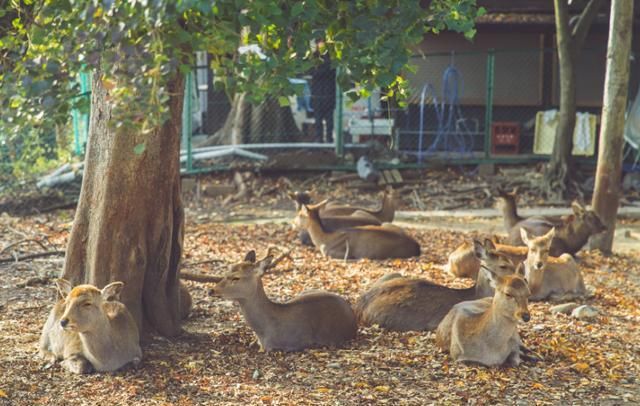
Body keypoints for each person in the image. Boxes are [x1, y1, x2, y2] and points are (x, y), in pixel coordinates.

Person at [310, 43, 337, 143]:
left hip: (328, 94)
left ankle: (329, 139)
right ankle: (319, 139)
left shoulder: (330, 60)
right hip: (318, 94)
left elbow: (327, 71)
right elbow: (312, 72)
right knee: (318, 120)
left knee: (329, 119)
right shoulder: (314, 59)